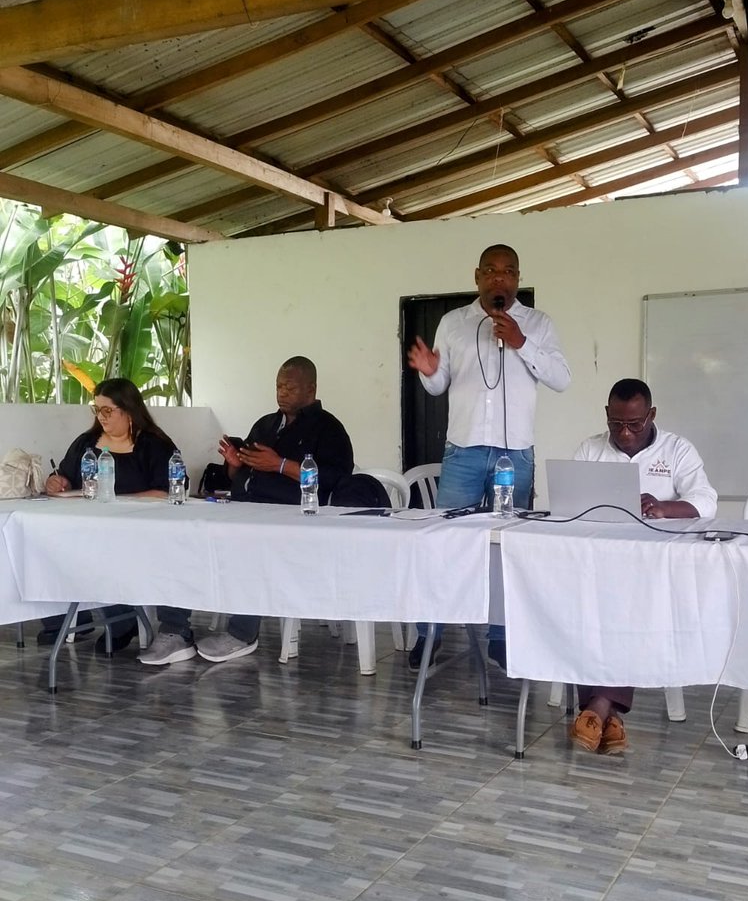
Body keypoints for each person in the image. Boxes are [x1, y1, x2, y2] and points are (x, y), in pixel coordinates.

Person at [407, 244, 570, 669]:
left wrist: (521, 342)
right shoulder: (453, 323)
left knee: (509, 548)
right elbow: (439, 384)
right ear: (478, 276)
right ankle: (430, 633)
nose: (500, 279)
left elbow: (561, 379)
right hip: (463, 451)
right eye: (492, 272)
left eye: (509, 272)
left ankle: (501, 634)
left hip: (516, 455)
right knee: (445, 544)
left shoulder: (538, 323)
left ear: (518, 278)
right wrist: (428, 371)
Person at [139, 355, 354, 666]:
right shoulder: (265, 424)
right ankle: (174, 631)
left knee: (249, 545)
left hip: (293, 517)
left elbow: (336, 480)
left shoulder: (329, 429)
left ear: (311, 389)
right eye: (278, 386)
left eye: (290, 388)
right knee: (182, 535)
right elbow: (241, 477)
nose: (282, 393)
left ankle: (242, 633)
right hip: (243, 506)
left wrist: (279, 464)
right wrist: (235, 466)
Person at [569, 377, 717, 755]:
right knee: (584, 605)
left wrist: (665, 508)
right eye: (616, 424)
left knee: (627, 607)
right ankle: (610, 715)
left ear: (651, 415)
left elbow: (706, 500)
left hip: (656, 570)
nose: (626, 433)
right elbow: (571, 503)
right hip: (599, 564)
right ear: (606, 415)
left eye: (635, 424)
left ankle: (596, 707)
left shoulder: (677, 449)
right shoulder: (590, 449)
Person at [42, 378, 182, 653]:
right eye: (97, 410)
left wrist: (120, 501)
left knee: (112, 554)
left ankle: (124, 623)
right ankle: (65, 621)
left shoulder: (153, 444)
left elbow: (167, 491)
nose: (101, 417)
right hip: (92, 527)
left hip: (143, 530)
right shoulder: (86, 443)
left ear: (128, 410)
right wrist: (56, 482)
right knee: (52, 549)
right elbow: (65, 477)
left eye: (108, 410)